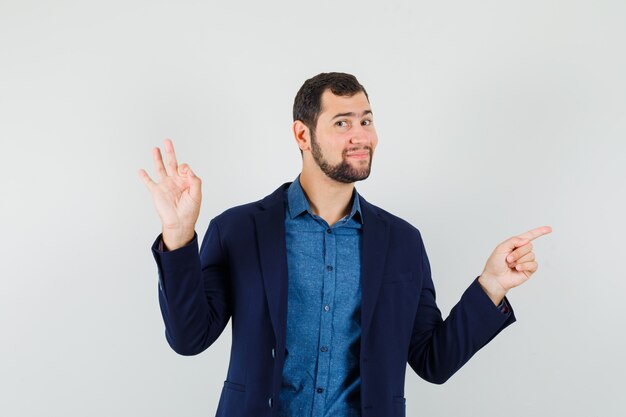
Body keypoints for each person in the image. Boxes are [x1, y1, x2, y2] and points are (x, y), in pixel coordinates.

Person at [138, 72, 552, 417]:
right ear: (302, 134)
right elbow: (188, 338)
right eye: (342, 123)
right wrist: (178, 236)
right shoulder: (239, 229)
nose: (361, 136)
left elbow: (433, 360)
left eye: (366, 121)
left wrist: (491, 285)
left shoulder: (402, 242)